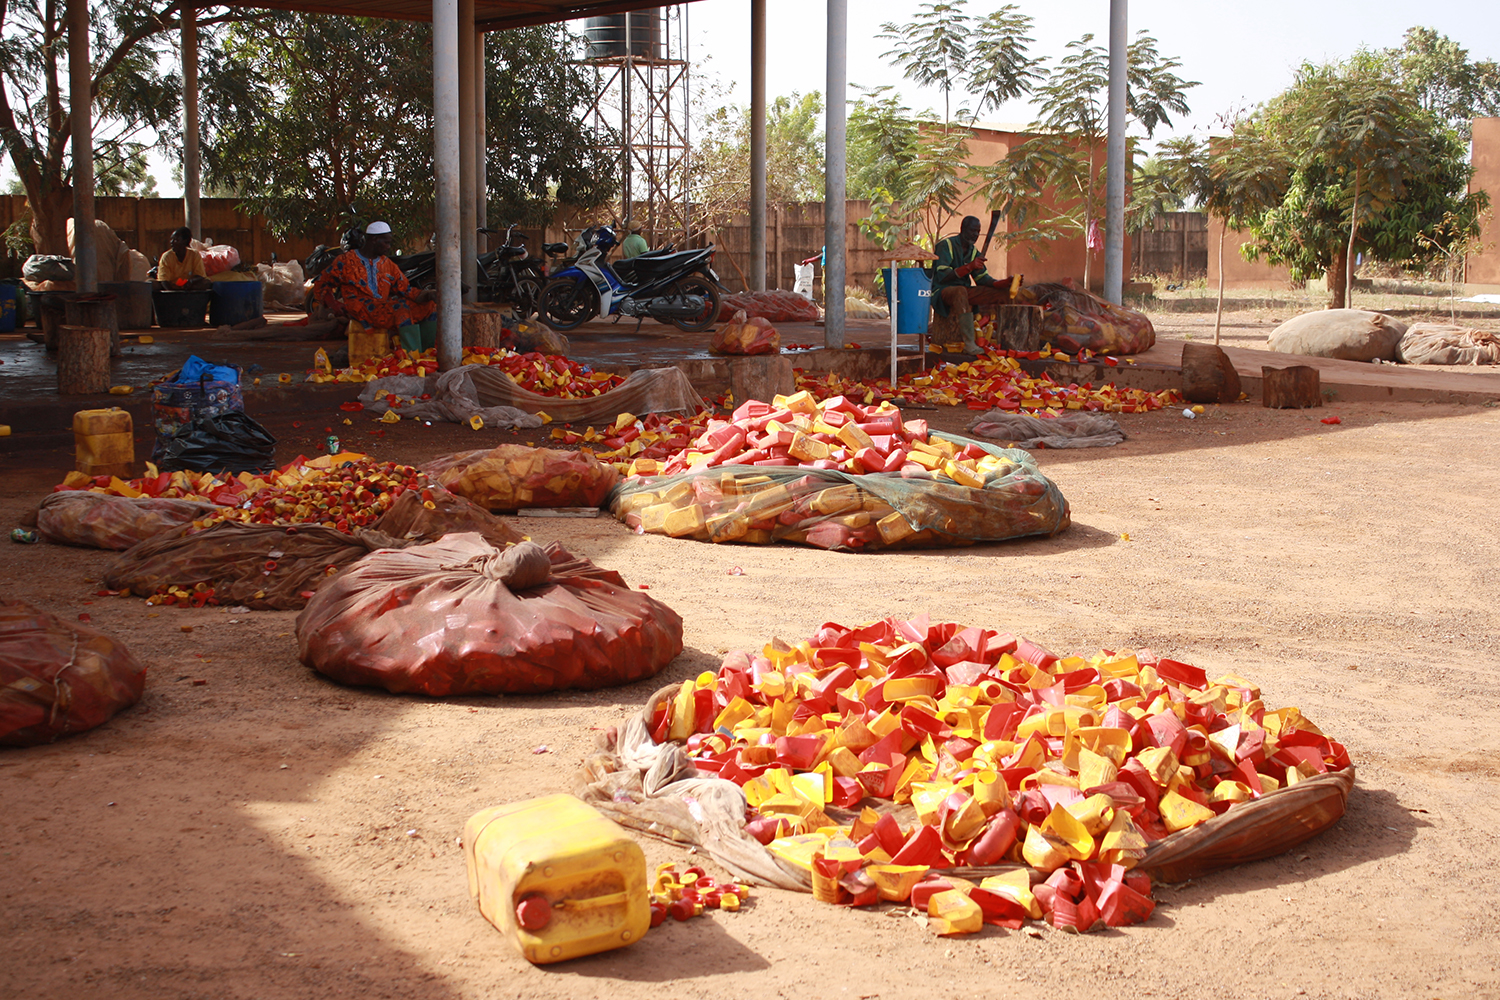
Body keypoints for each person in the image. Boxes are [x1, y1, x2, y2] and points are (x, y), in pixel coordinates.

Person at [311, 221, 437, 352]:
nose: (388, 247)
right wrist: (334, 304)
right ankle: (412, 357)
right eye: (386, 242)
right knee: (401, 309)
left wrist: (428, 295)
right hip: (360, 309)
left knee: (429, 306)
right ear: (373, 239)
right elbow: (322, 283)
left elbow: (406, 290)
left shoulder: (388, 264)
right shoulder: (346, 261)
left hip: (382, 306)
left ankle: (427, 353)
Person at [931, 215, 1016, 354]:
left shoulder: (973, 252)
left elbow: (982, 279)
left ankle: (1007, 339)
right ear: (963, 229)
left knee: (1003, 294)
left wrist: (1002, 283)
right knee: (959, 291)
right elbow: (943, 276)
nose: (975, 235)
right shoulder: (946, 246)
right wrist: (969, 267)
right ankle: (969, 343)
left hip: (964, 291)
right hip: (942, 291)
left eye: (978, 231)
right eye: (972, 230)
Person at [155, 227, 211, 291]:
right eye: (171, 239)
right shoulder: (166, 257)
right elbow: (163, 280)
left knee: (206, 283)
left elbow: (200, 275)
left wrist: (190, 281)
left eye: (176, 240)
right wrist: (172, 294)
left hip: (189, 286)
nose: (172, 242)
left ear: (185, 241)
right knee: (152, 283)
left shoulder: (194, 254)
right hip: (171, 287)